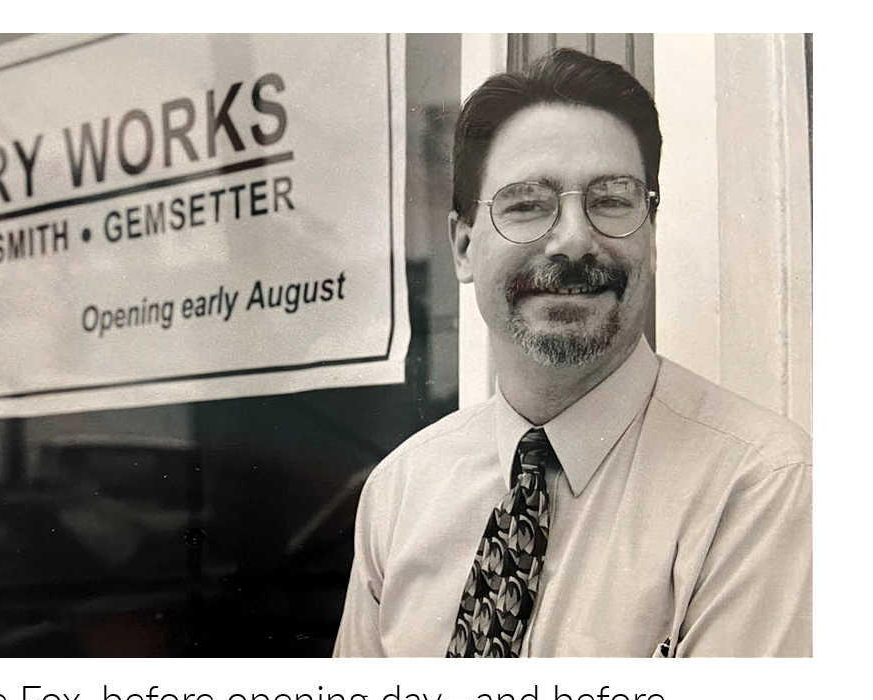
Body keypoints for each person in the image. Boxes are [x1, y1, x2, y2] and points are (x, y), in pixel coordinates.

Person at [332, 49, 811, 657]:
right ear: (462, 247)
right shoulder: (400, 493)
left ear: (651, 234)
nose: (576, 241)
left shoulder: (760, 490)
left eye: (612, 200)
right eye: (527, 204)